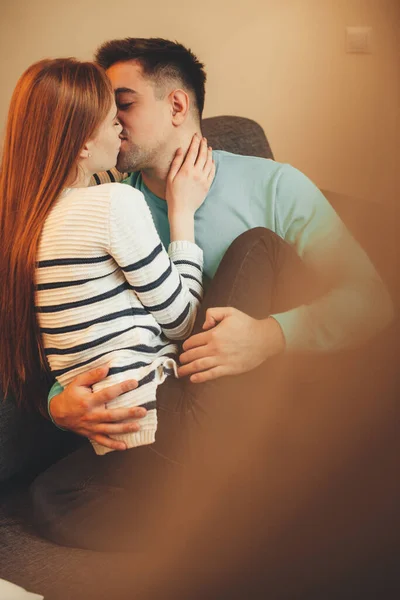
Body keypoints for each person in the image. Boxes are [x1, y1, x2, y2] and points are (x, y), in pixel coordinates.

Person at [26, 38, 394, 551]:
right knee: (46, 499)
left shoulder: (275, 186)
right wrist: (58, 404)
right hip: (165, 414)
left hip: (258, 410)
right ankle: (214, 527)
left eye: (123, 104)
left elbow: (371, 301)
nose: (110, 119)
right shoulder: (101, 199)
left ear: (177, 104)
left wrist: (271, 336)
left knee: (255, 246)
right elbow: (75, 317)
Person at [0, 57, 216, 457]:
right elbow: (184, 322)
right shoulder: (113, 204)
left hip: (107, 436)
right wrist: (181, 211)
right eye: (111, 120)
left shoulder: (25, 220)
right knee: (260, 248)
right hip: (158, 418)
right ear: (83, 142)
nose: (122, 129)